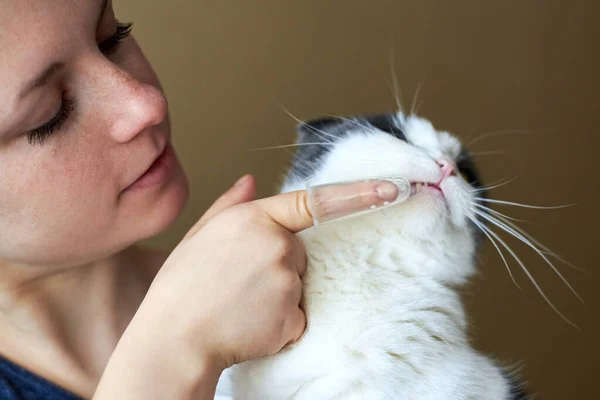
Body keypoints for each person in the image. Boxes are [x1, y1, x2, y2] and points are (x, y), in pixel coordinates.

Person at [0, 1, 396, 399]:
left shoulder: (307, 300)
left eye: (111, 37)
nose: (146, 104)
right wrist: (173, 351)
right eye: (50, 114)